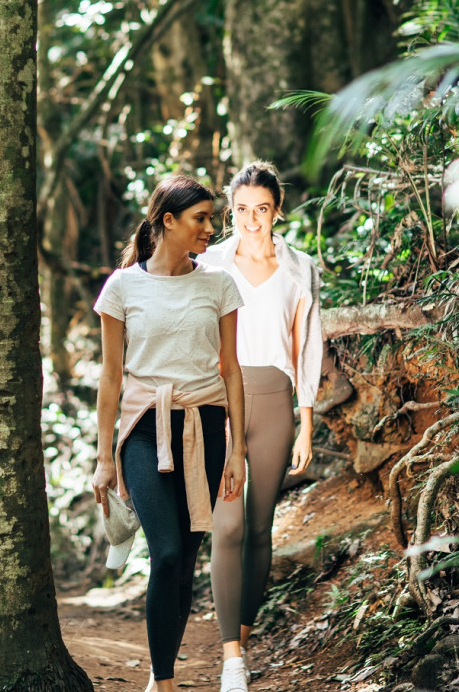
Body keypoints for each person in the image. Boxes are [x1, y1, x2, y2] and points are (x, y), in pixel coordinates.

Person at [91, 175, 248, 692]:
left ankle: (165, 675)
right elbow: (110, 378)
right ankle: (162, 683)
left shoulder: (218, 284)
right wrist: (104, 458)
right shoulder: (122, 287)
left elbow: (231, 369)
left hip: (206, 427)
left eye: (212, 218)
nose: (211, 228)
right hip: (144, 427)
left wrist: (238, 449)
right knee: (168, 553)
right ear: (168, 220)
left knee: (186, 562)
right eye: (201, 218)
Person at [197, 161, 324, 692]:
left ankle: (242, 642)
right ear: (230, 211)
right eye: (242, 210)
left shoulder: (299, 268)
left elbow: (307, 344)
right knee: (226, 526)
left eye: (262, 209)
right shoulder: (208, 263)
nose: (252, 220)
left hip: (274, 403)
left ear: (277, 211)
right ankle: (231, 661)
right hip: (220, 403)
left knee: (258, 528)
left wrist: (306, 421)